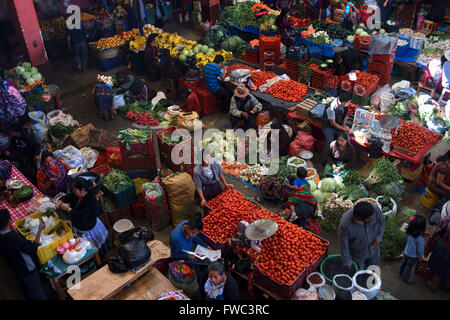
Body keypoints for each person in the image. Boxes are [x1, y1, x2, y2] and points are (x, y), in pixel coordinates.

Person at [0, 209, 48, 300]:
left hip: (14, 266)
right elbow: (33, 248)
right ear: (10, 221)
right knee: (36, 291)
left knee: (26, 285)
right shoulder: (15, 238)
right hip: (27, 268)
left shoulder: (3, 236)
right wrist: (39, 230)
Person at [56, 178, 108, 250]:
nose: (73, 191)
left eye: (75, 189)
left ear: (83, 190)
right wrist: (60, 201)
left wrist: (68, 209)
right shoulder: (76, 195)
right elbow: (67, 197)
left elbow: (83, 215)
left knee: (98, 246)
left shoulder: (91, 200)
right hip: (79, 226)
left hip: (89, 227)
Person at [338, 201, 385, 270]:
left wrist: (379, 237)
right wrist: (347, 260)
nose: (372, 218)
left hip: (374, 248)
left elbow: (382, 221)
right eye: (369, 218)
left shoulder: (373, 209)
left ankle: (369, 278)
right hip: (357, 253)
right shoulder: (345, 225)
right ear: (359, 218)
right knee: (355, 270)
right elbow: (343, 244)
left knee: (372, 269)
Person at [321, 92, 352, 165]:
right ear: (343, 102)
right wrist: (344, 129)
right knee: (330, 143)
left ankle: (341, 159)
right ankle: (324, 161)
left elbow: (345, 114)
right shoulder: (331, 108)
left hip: (339, 124)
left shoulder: (344, 105)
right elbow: (333, 123)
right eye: (349, 102)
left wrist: (344, 124)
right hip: (329, 126)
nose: (349, 103)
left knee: (346, 139)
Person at [398, 215, 426, 284]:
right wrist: (421, 256)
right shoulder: (420, 238)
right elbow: (420, 249)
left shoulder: (409, 232)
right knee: (409, 266)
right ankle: (405, 278)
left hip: (406, 251)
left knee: (404, 262)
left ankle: (400, 272)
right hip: (413, 256)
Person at [426, 214, 450, 292]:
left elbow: (437, 231)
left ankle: (434, 285)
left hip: (445, 248)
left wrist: (429, 246)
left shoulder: (447, 219)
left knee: (440, 266)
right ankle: (446, 285)